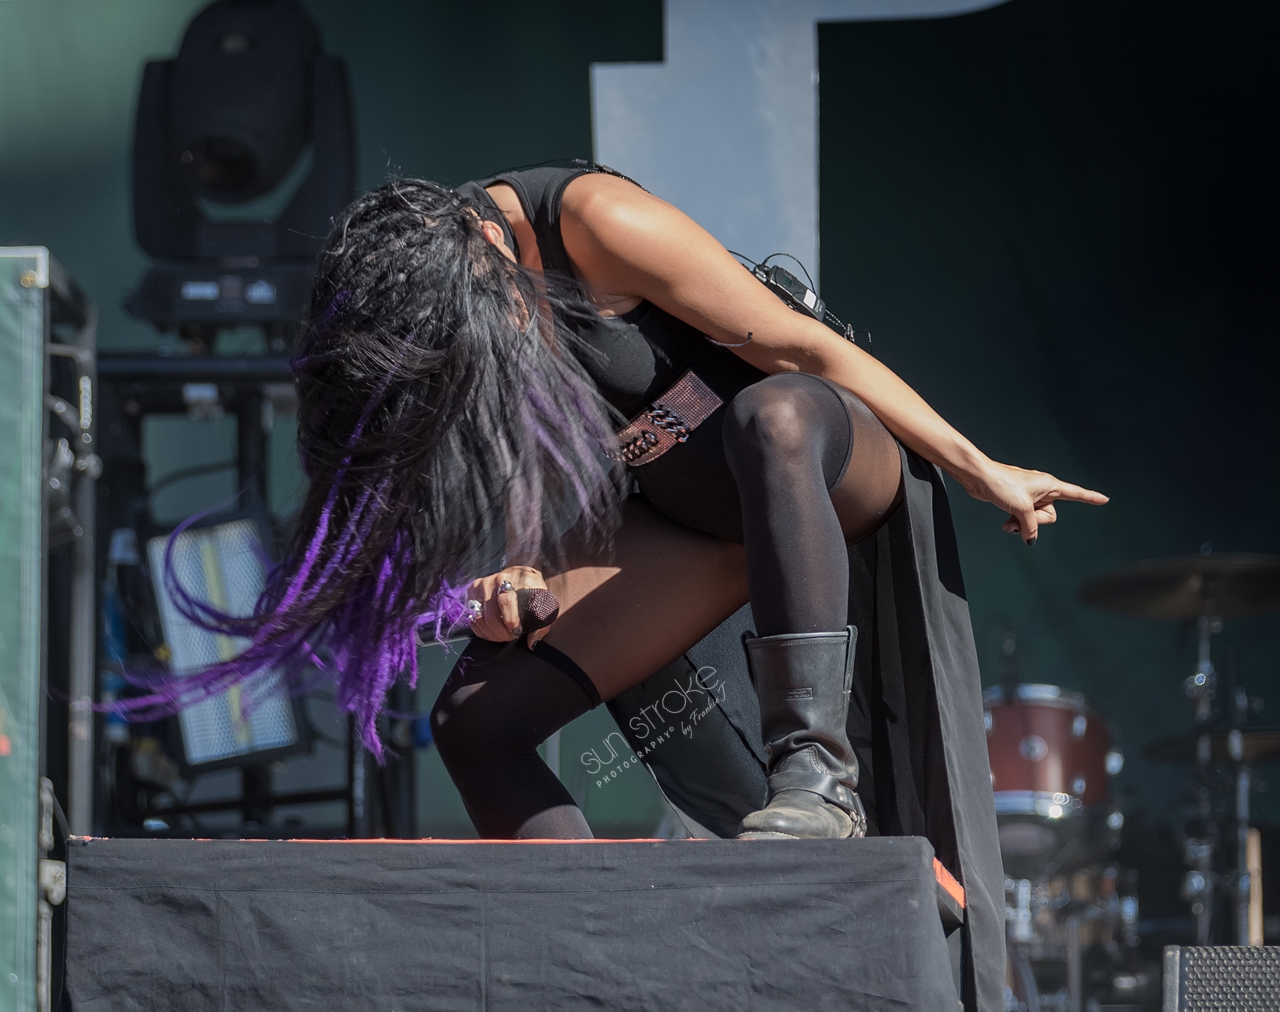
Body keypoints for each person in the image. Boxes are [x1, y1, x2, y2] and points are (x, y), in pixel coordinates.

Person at [157, 164, 1105, 845]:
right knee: (475, 722)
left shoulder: (595, 222)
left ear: (488, 246)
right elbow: (548, 498)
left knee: (771, 416)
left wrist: (978, 466)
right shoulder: (455, 321)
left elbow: (806, 350)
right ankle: (591, 955)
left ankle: (817, 780)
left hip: (819, 467)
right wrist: (512, 584)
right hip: (687, 529)